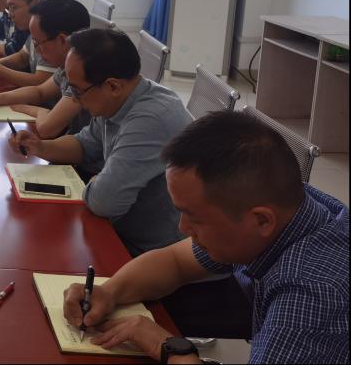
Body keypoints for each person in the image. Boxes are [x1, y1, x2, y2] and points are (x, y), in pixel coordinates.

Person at [61, 111, 349, 364]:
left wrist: (170, 348)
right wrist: (109, 292)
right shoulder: (283, 205)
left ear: (262, 220)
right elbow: (175, 262)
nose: (183, 228)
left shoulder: (311, 300)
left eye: (196, 219)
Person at [11, 28, 192, 255]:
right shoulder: (117, 100)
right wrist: (40, 146)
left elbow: (104, 202)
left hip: (151, 251)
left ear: (113, 86)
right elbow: (84, 145)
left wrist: (96, 184)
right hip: (120, 231)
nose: (75, 99)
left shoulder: (150, 119)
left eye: (77, 91)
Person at [0, 0, 90, 138]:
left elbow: (47, 128)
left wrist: (36, 111)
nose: (37, 51)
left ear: (62, 40)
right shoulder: (65, 67)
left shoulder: (83, 75)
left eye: (38, 43)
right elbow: (39, 92)